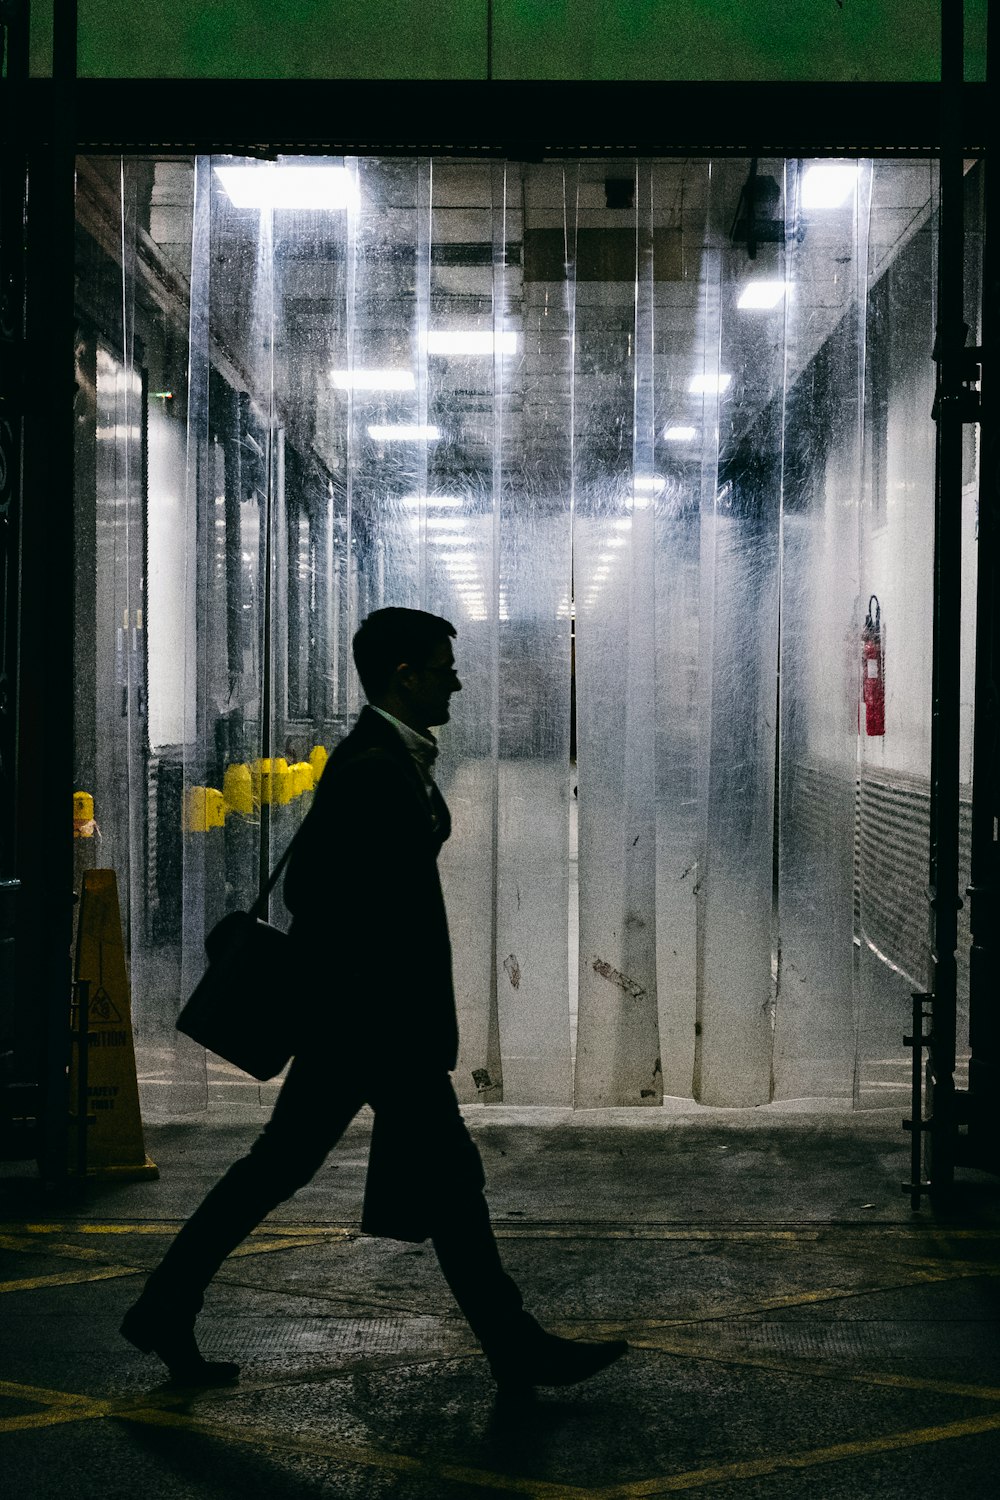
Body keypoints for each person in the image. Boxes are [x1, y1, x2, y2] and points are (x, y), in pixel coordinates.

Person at [121, 607, 626, 1395]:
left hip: (363, 1020)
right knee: (442, 1182)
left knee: (288, 1170)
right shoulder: (372, 769)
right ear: (404, 675)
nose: (456, 678)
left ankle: (164, 1306)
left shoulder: (390, 756)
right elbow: (315, 890)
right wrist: (371, 988)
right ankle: (515, 1347)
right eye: (442, 665)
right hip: (374, 1024)